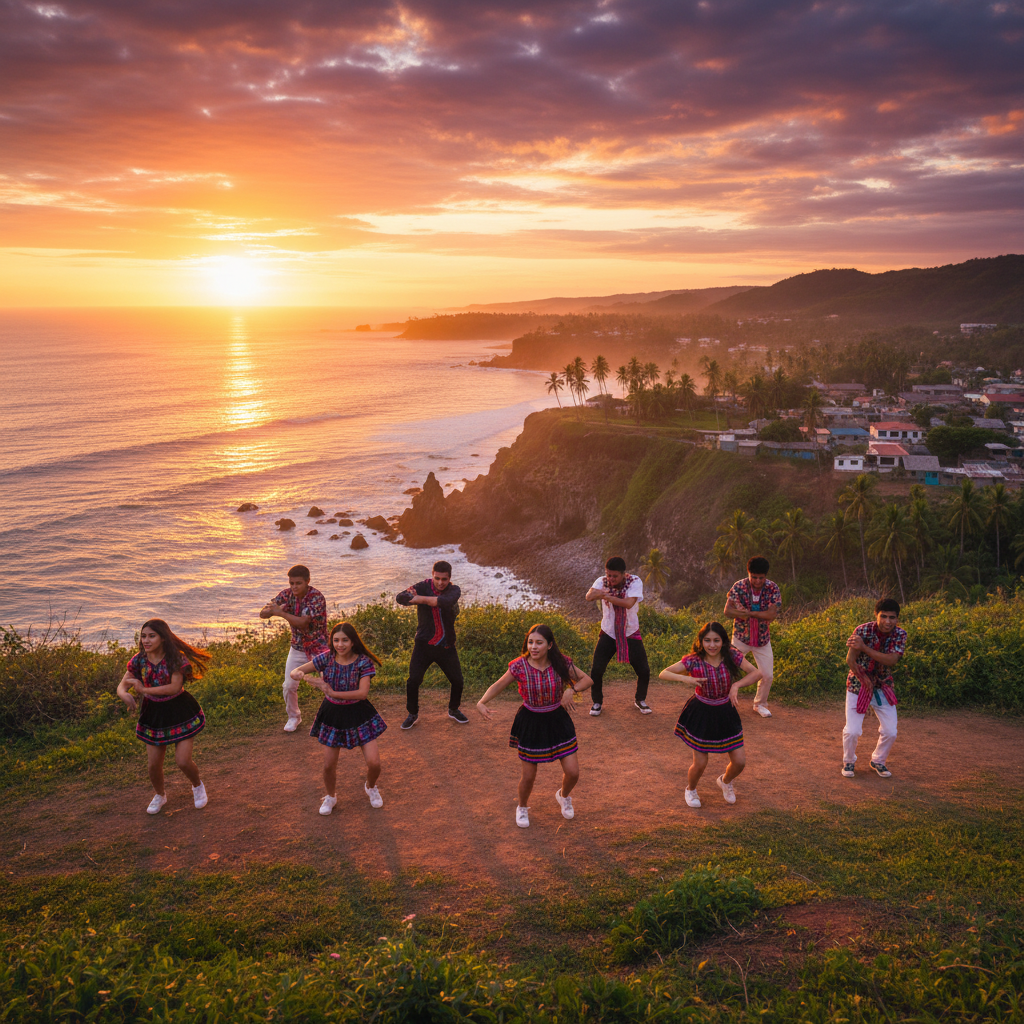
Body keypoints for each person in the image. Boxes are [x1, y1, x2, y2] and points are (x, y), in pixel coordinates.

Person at [476, 623, 594, 828]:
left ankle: (563, 796)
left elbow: (587, 679)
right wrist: (481, 702)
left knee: (573, 772)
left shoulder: (560, 663)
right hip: (531, 721)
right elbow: (498, 685)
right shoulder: (519, 666)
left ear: (550, 645)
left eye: (539, 643)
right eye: (531, 642)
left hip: (558, 720)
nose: (534, 647)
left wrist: (570, 690)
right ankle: (522, 807)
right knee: (529, 776)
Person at [659, 621, 762, 808]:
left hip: (726, 711)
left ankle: (725, 781)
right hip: (701, 712)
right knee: (700, 763)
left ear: (723, 641)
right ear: (701, 641)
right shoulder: (693, 660)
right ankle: (690, 789)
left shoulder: (732, 655)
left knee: (739, 762)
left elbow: (756, 673)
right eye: (707, 640)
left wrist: (736, 685)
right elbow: (663, 673)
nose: (712, 645)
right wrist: (686, 678)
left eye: (716, 640)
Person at [290, 621, 387, 813]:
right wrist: (307, 677)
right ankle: (330, 797)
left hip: (359, 713)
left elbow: (362, 694)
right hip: (333, 714)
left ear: (353, 642)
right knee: (328, 766)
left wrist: (332, 692)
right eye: (336, 640)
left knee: (375, 764)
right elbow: (294, 672)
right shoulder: (326, 658)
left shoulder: (363, 662)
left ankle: (371, 787)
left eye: (345, 640)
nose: (340, 645)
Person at [116, 619, 211, 815]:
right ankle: (160, 795)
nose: (146, 640)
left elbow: (175, 687)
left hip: (179, 710)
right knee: (153, 766)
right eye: (143, 636)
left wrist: (144, 689)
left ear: (163, 637)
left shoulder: (176, 659)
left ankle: (197, 785)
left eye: (152, 636)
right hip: (153, 714)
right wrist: (124, 694)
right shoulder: (139, 660)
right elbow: (123, 683)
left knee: (183, 761)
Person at [395, 560, 468, 728]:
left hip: (446, 645)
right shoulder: (423, 585)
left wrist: (418, 599)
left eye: (444, 579)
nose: (441, 583)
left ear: (450, 578)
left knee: (457, 681)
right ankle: (412, 714)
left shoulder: (454, 590)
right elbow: (400, 598)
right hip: (423, 645)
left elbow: (444, 602)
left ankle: (453, 709)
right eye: (437, 578)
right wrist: (418, 598)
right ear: (432, 574)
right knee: (413, 681)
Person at [841, 598, 907, 779]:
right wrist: (864, 681)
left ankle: (878, 760)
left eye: (892, 617)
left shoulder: (900, 635)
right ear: (876, 615)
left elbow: (891, 660)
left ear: (897, 618)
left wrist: (864, 648)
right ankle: (848, 761)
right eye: (883, 616)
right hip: (858, 684)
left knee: (890, 731)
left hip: (883, 685)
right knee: (852, 730)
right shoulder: (862, 630)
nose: (888, 621)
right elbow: (850, 660)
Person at [260, 564, 329, 733]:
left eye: (298, 583)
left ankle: (333, 715)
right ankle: (294, 717)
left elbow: (303, 623)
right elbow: (263, 613)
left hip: (318, 647)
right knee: (289, 685)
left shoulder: (316, 597)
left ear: (307, 582)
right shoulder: (286, 594)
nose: (294, 587)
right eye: (291, 583)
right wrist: (271, 610)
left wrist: (280, 613)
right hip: (297, 647)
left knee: (328, 682)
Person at [584, 556, 652, 716]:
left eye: (614, 576)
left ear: (623, 574)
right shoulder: (602, 582)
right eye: (608, 575)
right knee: (597, 670)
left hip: (630, 631)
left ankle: (640, 700)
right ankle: (597, 702)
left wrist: (607, 597)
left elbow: (629, 603)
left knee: (644, 670)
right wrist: (600, 592)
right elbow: (588, 596)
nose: (611, 579)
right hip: (608, 631)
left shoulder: (635, 582)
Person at [723, 555, 782, 718]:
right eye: (753, 577)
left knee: (767, 675)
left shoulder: (773, 588)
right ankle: (723, 701)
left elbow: (771, 615)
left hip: (762, 639)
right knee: (728, 669)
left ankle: (760, 704)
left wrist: (747, 613)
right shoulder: (739, 586)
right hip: (741, 638)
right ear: (748, 573)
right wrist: (758, 614)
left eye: (760, 578)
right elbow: (728, 611)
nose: (757, 581)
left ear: (766, 576)